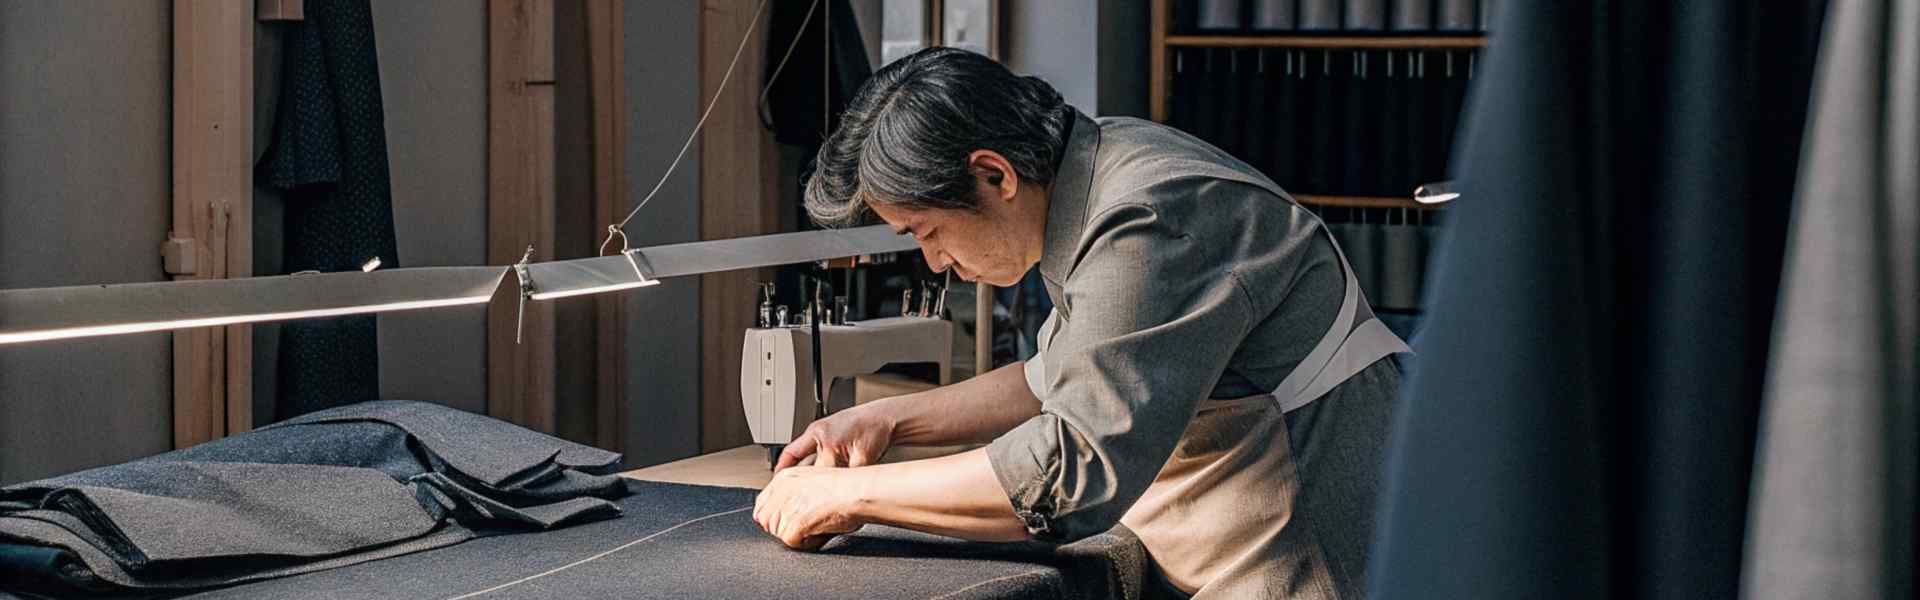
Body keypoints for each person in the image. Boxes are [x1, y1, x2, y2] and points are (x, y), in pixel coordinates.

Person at [751, 47, 1407, 599]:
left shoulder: (1146, 219)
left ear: (993, 174)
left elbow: (1069, 476)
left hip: (1302, 555)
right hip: (1228, 539)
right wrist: (888, 421)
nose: (934, 262)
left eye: (926, 231)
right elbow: (1054, 378)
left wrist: (851, 495)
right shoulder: (1092, 174)